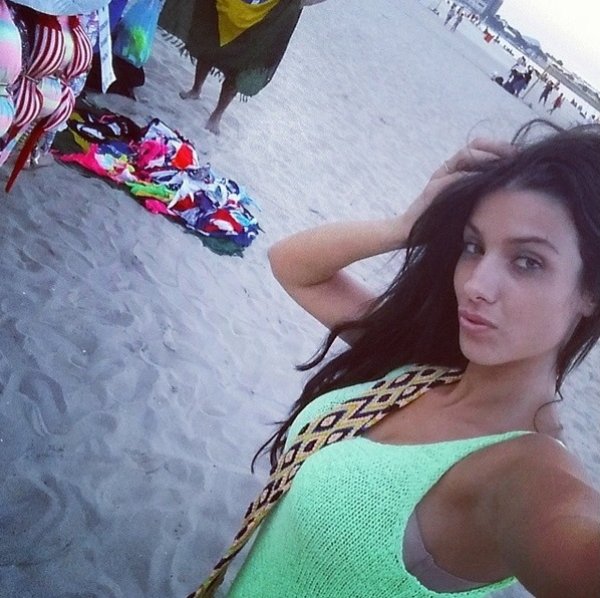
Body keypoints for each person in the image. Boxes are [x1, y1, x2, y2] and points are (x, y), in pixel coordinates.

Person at [187, 122, 600, 597]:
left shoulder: (528, 473)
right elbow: (293, 266)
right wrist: (404, 227)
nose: (475, 285)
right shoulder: (422, 369)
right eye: (474, 247)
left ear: (590, 292)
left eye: (528, 261)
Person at [159, 0, 306, 135]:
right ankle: (196, 89)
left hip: (272, 11)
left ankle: (217, 115)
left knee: (243, 63)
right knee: (212, 39)